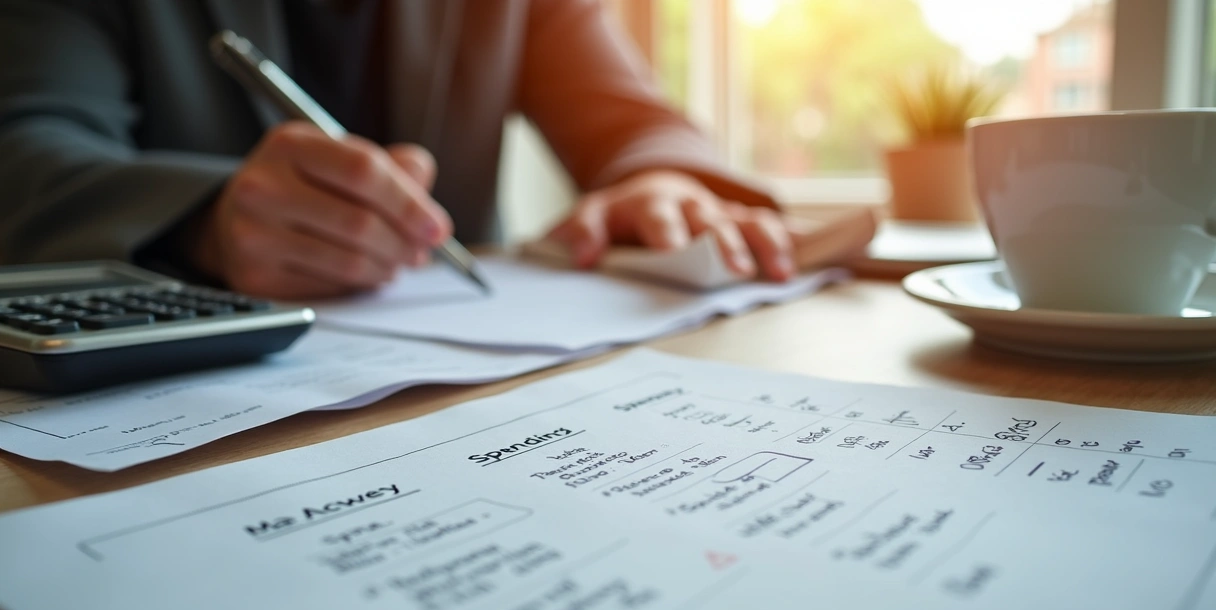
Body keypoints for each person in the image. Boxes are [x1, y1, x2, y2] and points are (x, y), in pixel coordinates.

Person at [0, 0, 873, 299]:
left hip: (461, 389)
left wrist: (664, 180)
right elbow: (24, 148)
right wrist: (204, 222)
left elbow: (634, 119)